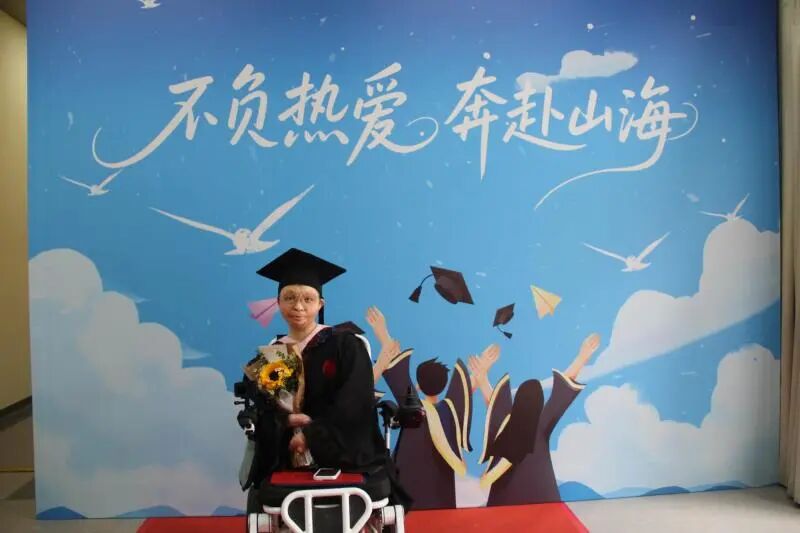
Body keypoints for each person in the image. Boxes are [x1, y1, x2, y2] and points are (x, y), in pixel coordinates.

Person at [239, 248, 411, 512]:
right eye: (289, 298)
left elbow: (355, 402)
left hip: (344, 450)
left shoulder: (345, 345)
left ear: (320, 304)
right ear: (278, 303)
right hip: (286, 452)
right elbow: (264, 408)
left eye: (308, 299)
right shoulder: (273, 355)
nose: (298, 307)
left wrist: (311, 435)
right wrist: (286, 422)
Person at [366, 306, 499, 510]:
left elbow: (400, 373)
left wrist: (383, 335)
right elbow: (464, 390)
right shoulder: (448, 410)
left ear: (418, 385)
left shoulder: (414, 408)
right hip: (440, 495)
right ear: (444, 384)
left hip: (410, 493)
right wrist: (482, 367)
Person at [469, 333, 601, 506]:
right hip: (541, 499)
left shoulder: (508, 422)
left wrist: (482, 376)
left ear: (517, 401)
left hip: (505, 500)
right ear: (539, 403)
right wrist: (582, 357)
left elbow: (493, 403)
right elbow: (561, 388)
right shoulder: (541, 424)